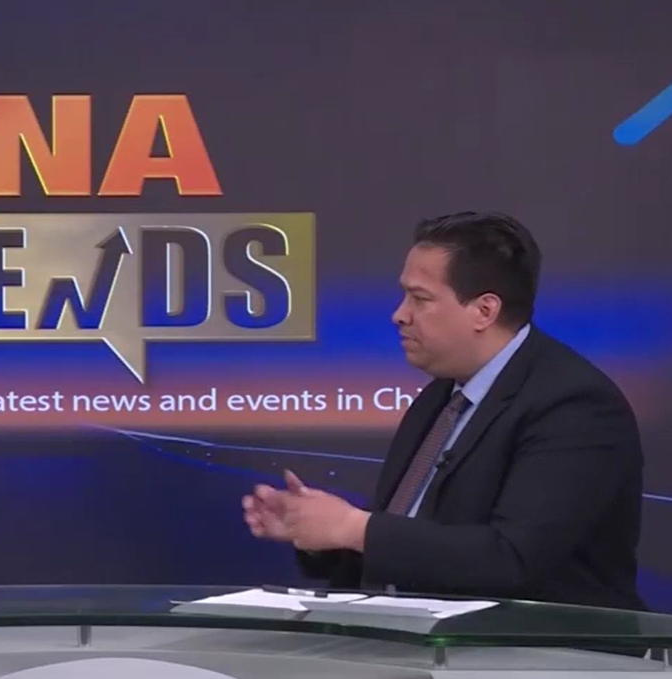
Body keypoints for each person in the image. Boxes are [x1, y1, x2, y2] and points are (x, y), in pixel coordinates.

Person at [243, 211, 645, 611]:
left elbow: (511, 559)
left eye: (420, 299)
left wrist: (353, 527)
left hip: (538, 645)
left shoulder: (574, 405)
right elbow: (414, 546)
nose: (399, 314)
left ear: (484, 311)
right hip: (408, 637)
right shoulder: (440, 397)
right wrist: (320, 532)